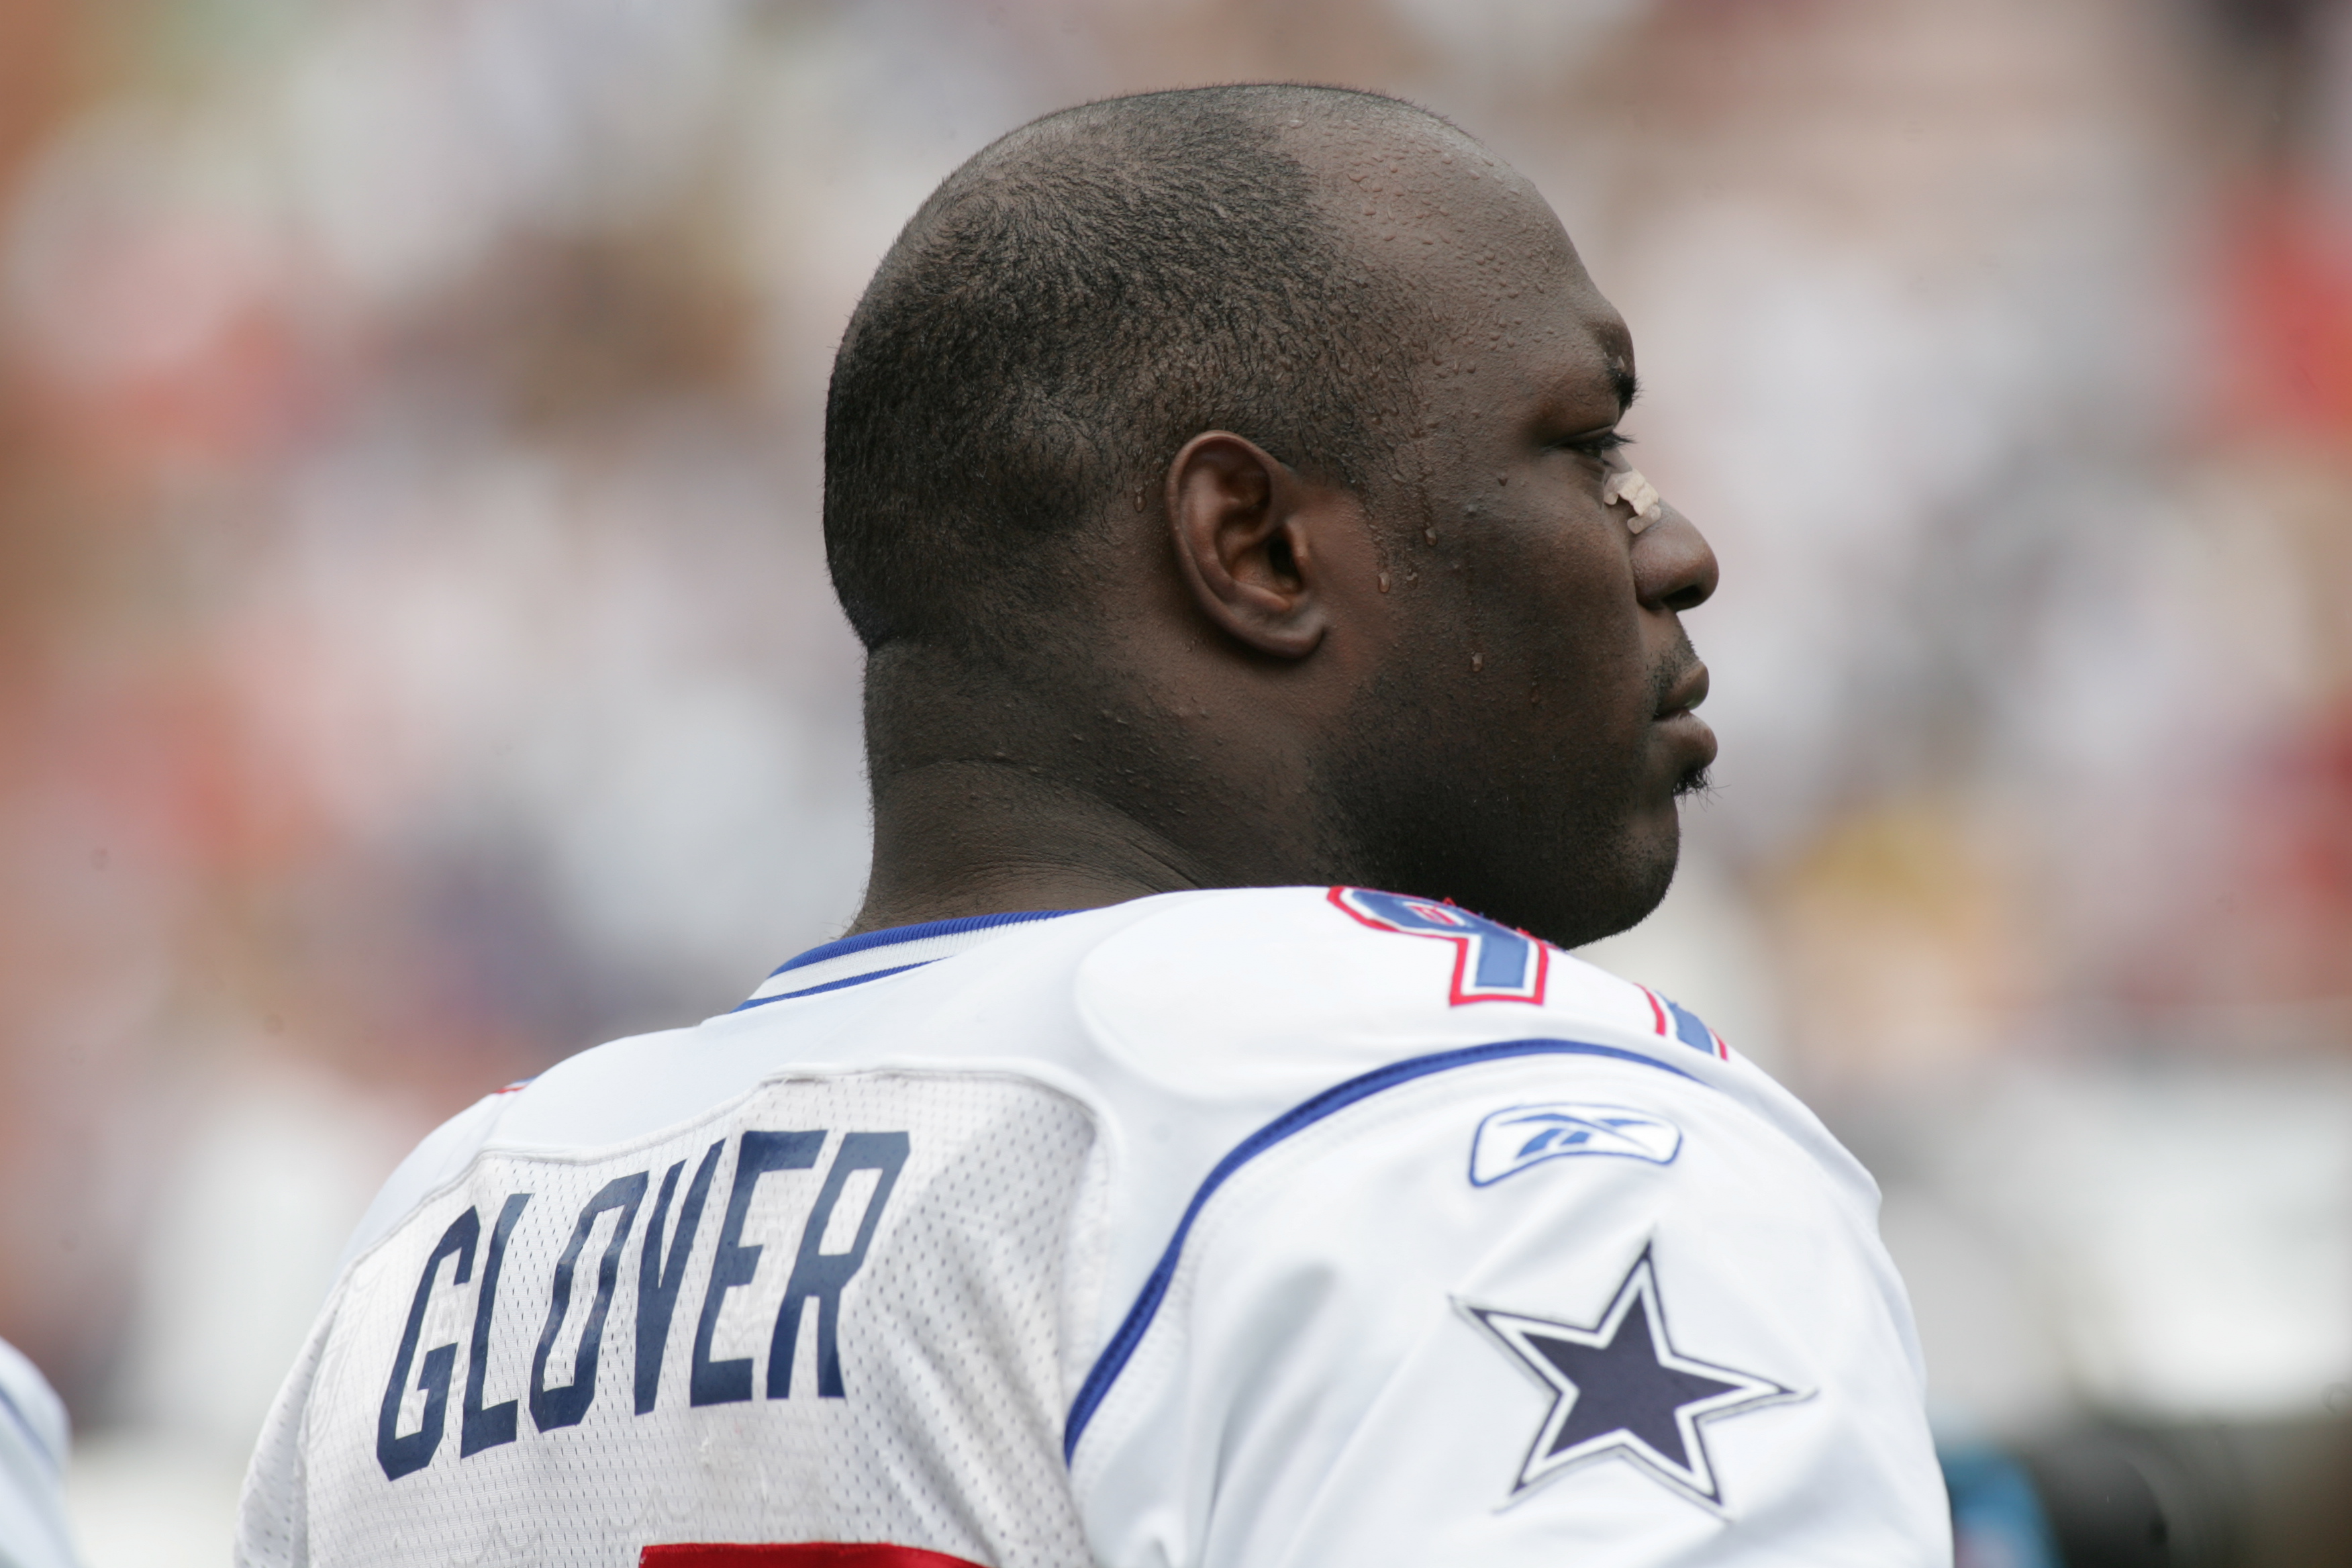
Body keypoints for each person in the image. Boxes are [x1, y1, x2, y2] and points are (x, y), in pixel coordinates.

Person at [238, 85, 1948, 1566]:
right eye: (1587, 448)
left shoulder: (448, 1241)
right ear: (1256, 548)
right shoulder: (1519, 1145)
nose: (1673, 545)